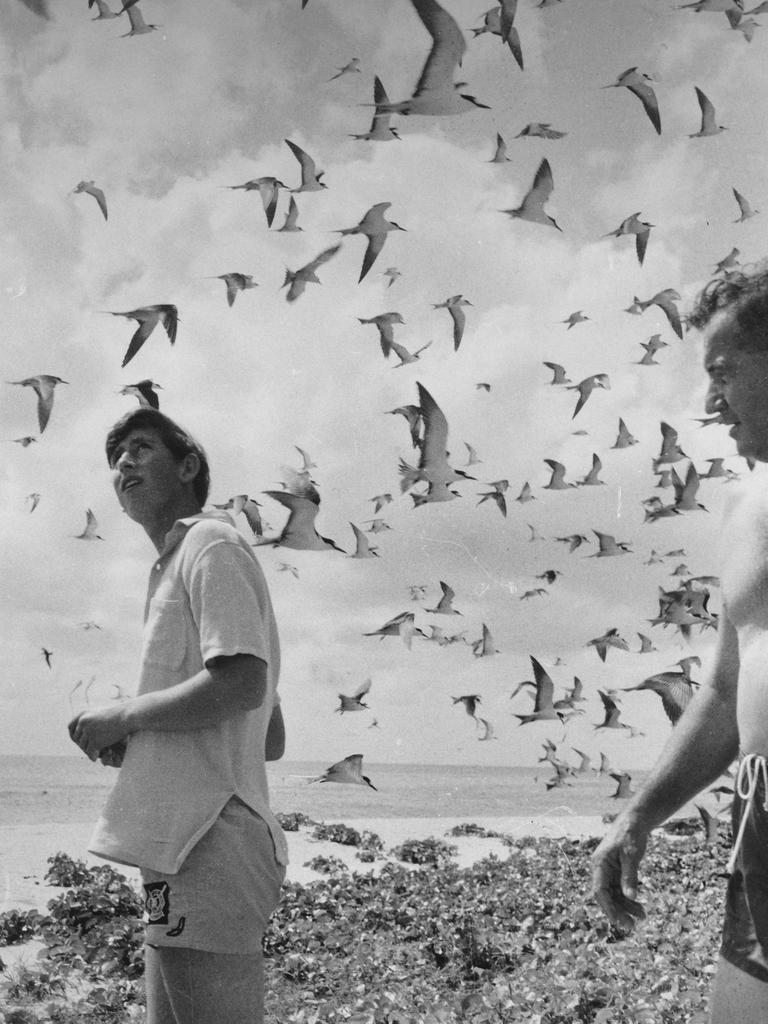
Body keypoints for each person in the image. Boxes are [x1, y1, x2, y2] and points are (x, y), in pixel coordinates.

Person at [68, 407, 288, 1024]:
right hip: (180, 845)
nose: (124, 464)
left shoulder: (209, 543)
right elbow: (267, 734)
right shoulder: (177, 563)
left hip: (209, 837)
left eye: (141, 448)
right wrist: (149, 735)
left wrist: (127, 716)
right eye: (116, 457)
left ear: (188, 466)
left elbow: (243, 684)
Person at [591, 263, 768, 1024]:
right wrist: (638, 816)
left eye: (724, 372)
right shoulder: (740, 506)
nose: (709, 401)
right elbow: (727, 692)